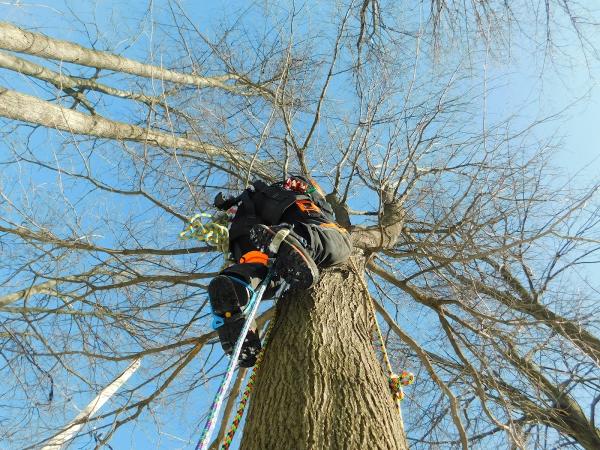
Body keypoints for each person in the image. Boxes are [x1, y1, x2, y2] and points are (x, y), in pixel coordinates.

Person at [208, 175, 352, 367]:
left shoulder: (252, 197)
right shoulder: (308, 191)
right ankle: (294, 240)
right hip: (283, 206)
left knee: (265, 272)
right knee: (339, 241)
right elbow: (312, 195)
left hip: (243, 225)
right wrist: (313, 195)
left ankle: (237, 286)